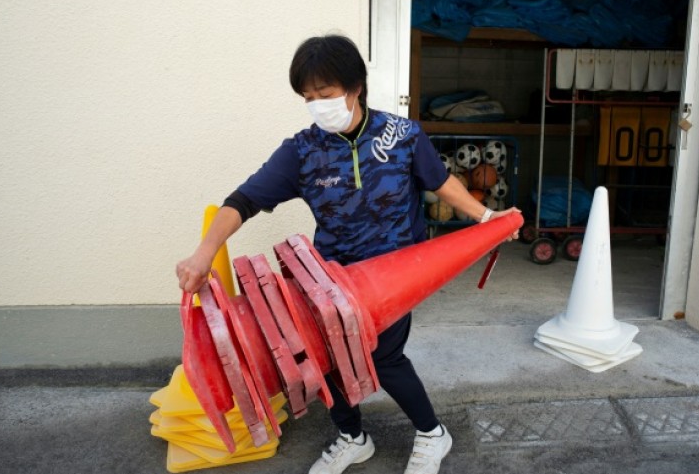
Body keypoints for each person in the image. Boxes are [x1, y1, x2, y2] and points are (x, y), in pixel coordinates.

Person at [176, 34, 520, 474]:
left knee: (383, 357)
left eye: (326, 94)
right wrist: (204, 252)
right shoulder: (302, 152)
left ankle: (433, 433)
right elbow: (243, 200)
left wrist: (485, 217)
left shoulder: (402, 135)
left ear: (355, 88)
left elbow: (440, 182)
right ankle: (353, 437)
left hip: (395, 274)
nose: (318, 105)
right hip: (331, 280)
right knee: (325, 359)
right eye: (309, 98)